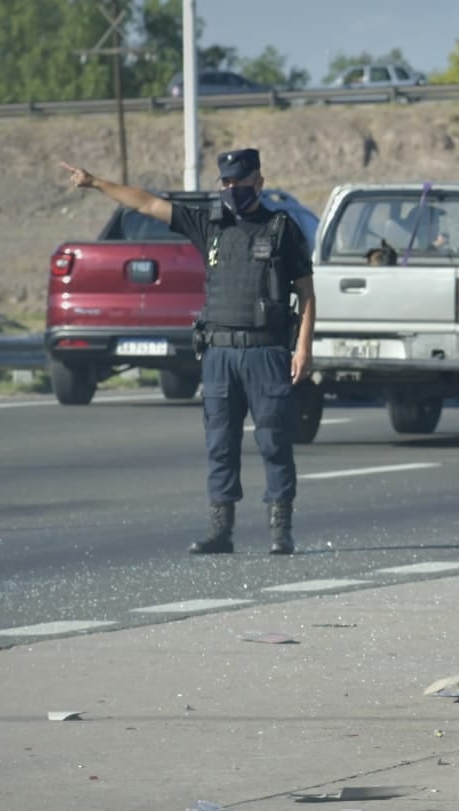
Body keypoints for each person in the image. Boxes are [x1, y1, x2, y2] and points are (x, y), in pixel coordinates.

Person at [60, 148, 316, 556]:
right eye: (227, 183)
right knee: (220, 443)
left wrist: (303, 346)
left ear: (259, 183)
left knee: (274, 442)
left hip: (265, 352)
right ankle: (220, 530)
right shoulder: (208, 224)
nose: (233, 189)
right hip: (219, 353)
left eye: (241, 182)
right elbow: (146, 202)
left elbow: (305, 292)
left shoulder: (281, 228)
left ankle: (280, 528)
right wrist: (95, 183)